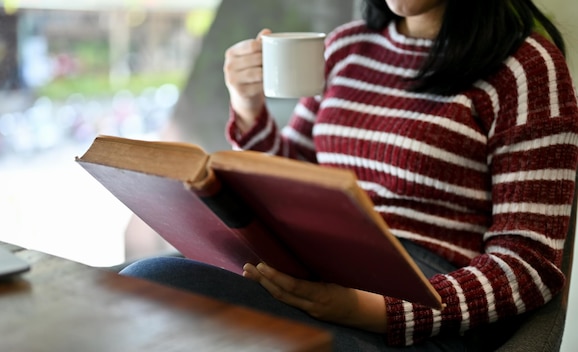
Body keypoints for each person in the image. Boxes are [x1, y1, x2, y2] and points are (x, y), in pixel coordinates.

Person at [120, 0, 578, 350]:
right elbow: (290, 176)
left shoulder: (526, 68)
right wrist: (247, 105)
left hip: (420, 310)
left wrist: (373, 310)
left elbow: (529, 266)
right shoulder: (347, 47)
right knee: (144, 284)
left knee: (154, 279)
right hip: (327, 268)